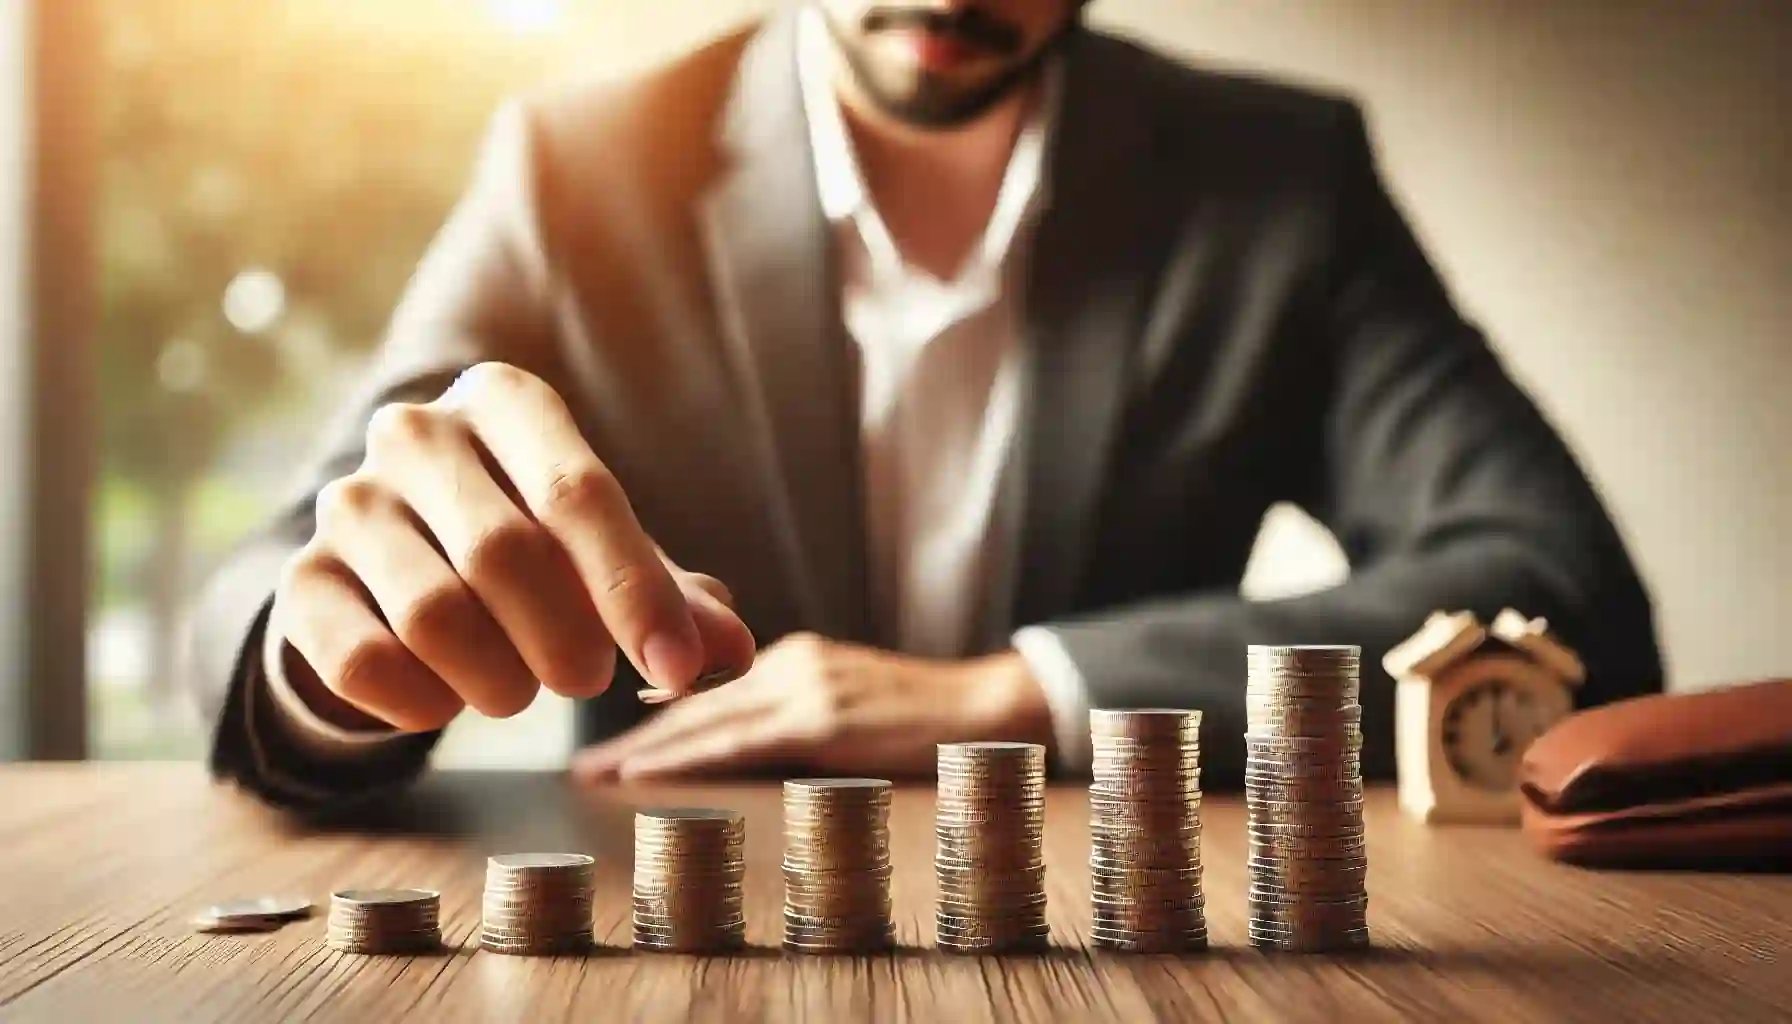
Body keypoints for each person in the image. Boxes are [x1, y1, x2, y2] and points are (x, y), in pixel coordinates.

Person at [190, 0, 1662, 808]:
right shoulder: (570, 167)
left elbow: (1560, 595)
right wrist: (334, 665)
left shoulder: (1280, 180)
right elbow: (279, 584)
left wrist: (1020, 695)